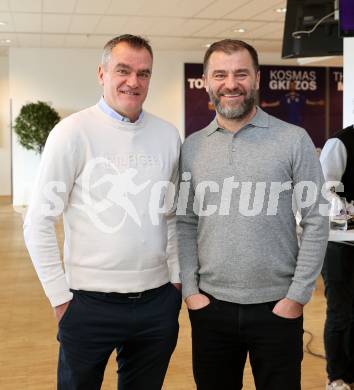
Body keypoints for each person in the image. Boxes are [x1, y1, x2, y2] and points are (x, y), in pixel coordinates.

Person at [24, 34, 182, 390]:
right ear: (102, 73)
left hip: (157, 303)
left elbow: (172, 216)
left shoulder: (167, 135)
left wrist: (175, 280)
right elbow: (38, 222)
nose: (133, 81)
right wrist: (60, 299)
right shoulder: (71, 133)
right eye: (123, 70)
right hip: (87, 305)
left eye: (144, 74)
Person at [176, 39, 329, 390]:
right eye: (220, 74)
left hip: (278, 307)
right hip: (210, 307)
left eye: (241, 73)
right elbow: (185, 220)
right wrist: (191, 290)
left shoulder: (293, 140)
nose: (231, 84)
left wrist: (297, 296)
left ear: (257, 78)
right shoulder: (193, 146)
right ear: (206, 82)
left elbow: (317, 219)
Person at [320, 125, 354, 390]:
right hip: (339, 245)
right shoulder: (340, 143)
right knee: (340, 314)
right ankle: (337, 377)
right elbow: (322, 191)